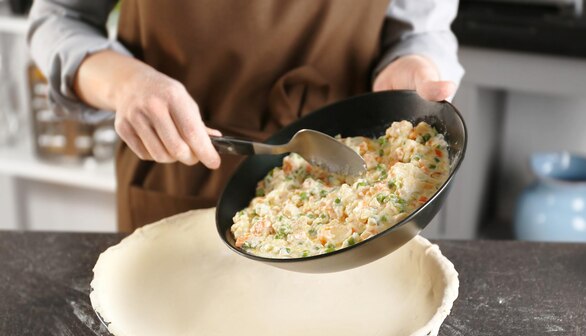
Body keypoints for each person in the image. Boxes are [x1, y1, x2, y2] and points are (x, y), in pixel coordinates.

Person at [28, 0, 464, 232]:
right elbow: (58, 19)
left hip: (355, 188)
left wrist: (414, 67)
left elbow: (421, 29)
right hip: (180, 163)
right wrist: (126, 84)